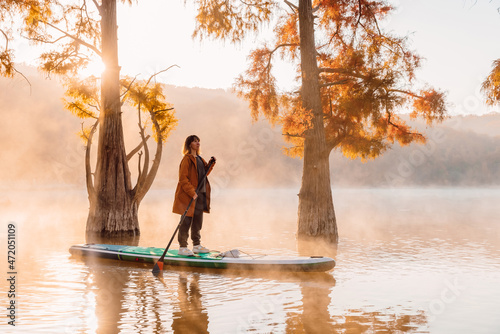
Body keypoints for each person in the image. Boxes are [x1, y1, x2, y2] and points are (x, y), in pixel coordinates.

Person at [172, 135, 216, 256]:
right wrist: (192, 192)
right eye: (195, 141)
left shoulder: (200, 159)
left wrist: (211, 164)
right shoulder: (187, 159)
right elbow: (183, 179)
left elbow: (204, 173)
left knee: (198, 221)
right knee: (186, 221)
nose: (198, 143)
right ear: (189, 144)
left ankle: (196, 245)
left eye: (198, 141)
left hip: (201, 194)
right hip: (189, 196)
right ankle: (182, 247)